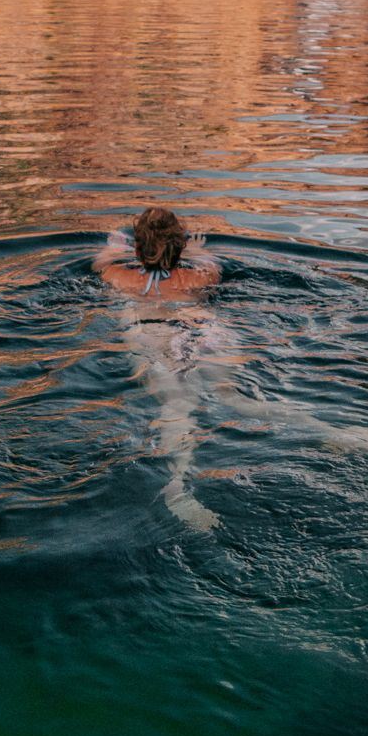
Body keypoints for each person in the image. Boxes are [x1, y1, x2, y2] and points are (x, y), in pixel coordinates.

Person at [94, 208, 224, 531]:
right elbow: (214, 267)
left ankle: (177, 483)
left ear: (137, 251)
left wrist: (113, 247)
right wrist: (197, 250)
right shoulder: (199, 278)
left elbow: (100, 266)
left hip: (153, 338)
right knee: (234, 397)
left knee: (176, 404)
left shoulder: (119, 276)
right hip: (194, 335)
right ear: (180, 248)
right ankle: (326, 429)